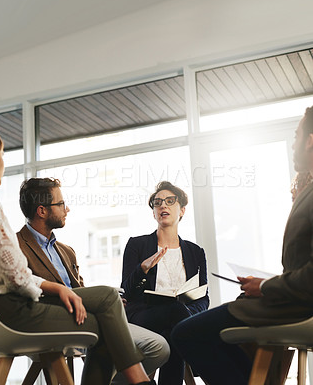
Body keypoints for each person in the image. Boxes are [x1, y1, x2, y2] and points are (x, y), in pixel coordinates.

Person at [0, 125, 156, 385]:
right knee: (106, 320)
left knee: (108, 299)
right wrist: (51, 291)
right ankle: (141, 382)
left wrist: (58, 288)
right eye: (2, 155)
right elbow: (16, 274)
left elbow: (8, 270)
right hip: (11, 310)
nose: (3, 163)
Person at [171, 106, 313, 385]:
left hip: (297, 307)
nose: (294, 143)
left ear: (310, 141)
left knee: (185, 333)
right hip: (293, 300)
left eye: (297, 136)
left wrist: (265, 287)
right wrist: (266, 285)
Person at [16, 177, 170, 385]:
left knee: (159, 347)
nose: (67, 209)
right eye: (61, 204)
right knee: (106, 315)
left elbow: (80, 290)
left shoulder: (66, 251)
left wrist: (112, 302)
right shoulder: (15, 246)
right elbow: (22, 289)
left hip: (86, 314)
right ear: (42, 211)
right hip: (50, 318)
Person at [121, 181, 209, 385]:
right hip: (144, 315)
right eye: (157, 202)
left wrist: (189, 316)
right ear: (154, 213)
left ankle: (185, 329)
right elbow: (127, 292)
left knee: (173, 332)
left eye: (170, 201)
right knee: (175, 313)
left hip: (179, 319)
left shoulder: (196, 252)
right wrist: (142, 269)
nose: (163, 206)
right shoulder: (137, 244)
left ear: (182, 210)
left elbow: (203, 297)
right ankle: (202, 361)